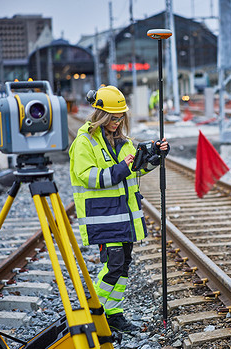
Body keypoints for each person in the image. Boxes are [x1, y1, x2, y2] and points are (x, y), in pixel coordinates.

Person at [69, 85, 169, 333]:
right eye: (113, 118)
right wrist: (123, 168)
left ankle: (114, 314)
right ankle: (93, 314)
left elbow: (135, 170)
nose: (117, 122)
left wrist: (154, 156)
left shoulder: (123, 142)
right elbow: (89, 177)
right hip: (103, 216)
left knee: (123, 266)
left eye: (120, 117)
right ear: (100, 115)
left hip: (124, 216)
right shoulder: (84, 142)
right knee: (113, 265)